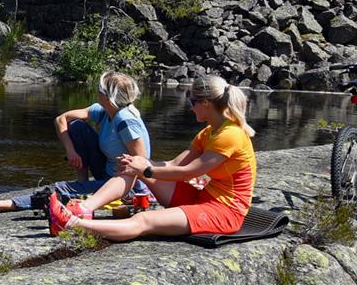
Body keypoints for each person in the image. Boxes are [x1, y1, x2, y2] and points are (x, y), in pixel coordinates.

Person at [42, 75, 256, 241]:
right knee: (131, 165)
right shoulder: (209, 132)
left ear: (206, 103)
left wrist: (145, 170)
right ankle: (85, 209)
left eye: (192, 102)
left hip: (224, 212)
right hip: (201, 198)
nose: (191, 107)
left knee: (143, 220)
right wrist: (137, 164)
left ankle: (71, 224)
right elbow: (174, 165)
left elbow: (189, 172)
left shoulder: (230, 134)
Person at [0, 71, 150, 214]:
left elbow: (142, 161)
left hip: (125, 185)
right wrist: (71, 151)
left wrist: (127, 194)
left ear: (108, 96)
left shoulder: (125, 120)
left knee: (61, 190)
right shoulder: (104, 111)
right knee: (76, 126)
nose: (96, 93)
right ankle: (82, 184)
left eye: (99, 90)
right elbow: (62, 119)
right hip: (108, 172)